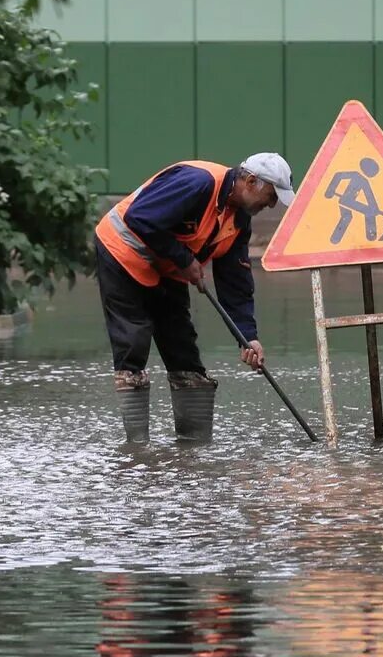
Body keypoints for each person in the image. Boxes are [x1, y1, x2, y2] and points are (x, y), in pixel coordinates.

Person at [93, 154, 294, 443]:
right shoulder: (198, 183)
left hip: (167, 266)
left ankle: (194, 446)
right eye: (272, 196)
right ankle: (138, 449)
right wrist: (184, 259)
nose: (272, 204)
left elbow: (235, 283)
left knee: (182, 348)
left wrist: (247, 336)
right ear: (251, 181)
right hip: (122, 250)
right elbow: (140, 217)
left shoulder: (239, 222)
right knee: (133, 338)